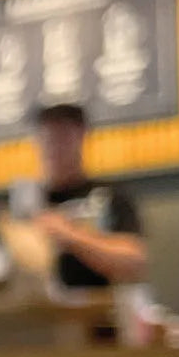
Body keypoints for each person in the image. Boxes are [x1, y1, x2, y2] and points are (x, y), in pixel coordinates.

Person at [32, 103, 149, 287]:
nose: (53, 146)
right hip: (37, 312)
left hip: (101, 311)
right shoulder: (24, 204)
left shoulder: (109, 195)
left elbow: (134, 260)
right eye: (46, 137)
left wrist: (69, 235)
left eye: (62, 136)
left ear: (82, 136)